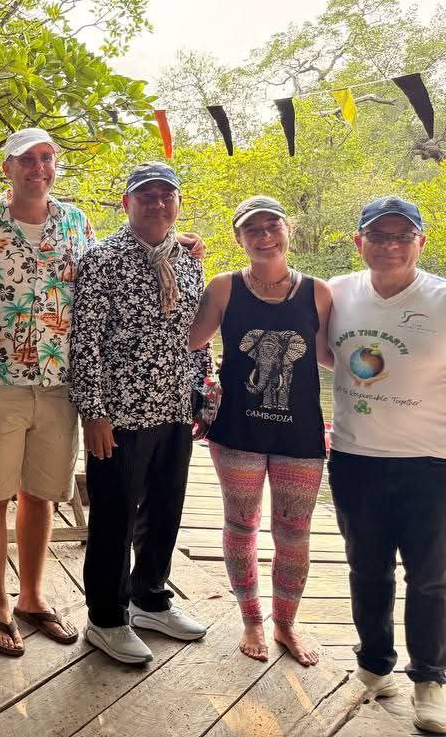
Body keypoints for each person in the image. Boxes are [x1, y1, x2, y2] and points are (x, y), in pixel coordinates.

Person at [0, 128, 94, 655]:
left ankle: (32, 596)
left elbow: (102, 279)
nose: (38, 168)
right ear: (7, 167)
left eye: (47, 158)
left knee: (42, 494)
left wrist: (180, 245)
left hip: (59, 384)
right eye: (26, 159)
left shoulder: (76, 222)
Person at [69, 161, 212, 665]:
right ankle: (106, 618)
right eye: (146, 196)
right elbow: (84, 341)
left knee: (165, 509)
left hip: (174, 407)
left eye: (165, 195)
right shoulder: (103, 258)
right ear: (127, 203)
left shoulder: (188, 260)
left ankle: (150, 598)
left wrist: (202, 392)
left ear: (178, 203)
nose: (157, 203)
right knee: (114, 517)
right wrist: (94, 412)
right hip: (120, 414)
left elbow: (197, 335)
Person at [188, 196, 331, 666]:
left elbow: (330, 355)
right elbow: (190, 340)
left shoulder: (319, 292)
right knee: (240, 523)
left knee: (294, 531)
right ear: (239, 238)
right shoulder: (224, 287)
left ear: (289, 230)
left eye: (273, 225)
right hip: (237, 432)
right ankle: (251, 619)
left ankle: (285, 623)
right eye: (253, 229)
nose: (264, 235)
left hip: (300, 436)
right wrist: (178, 255)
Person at [327, 196, 445, 733]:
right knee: (366, 569)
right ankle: (375, 666)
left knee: (431, 578)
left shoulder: (441, 298)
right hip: (356, 457)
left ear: (421, 242)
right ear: (359, 242)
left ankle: (431, 679)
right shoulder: (336, 292)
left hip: (432, 461)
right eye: (378, 235)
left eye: (403, 236)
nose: (391, 245)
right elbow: (323, 352)